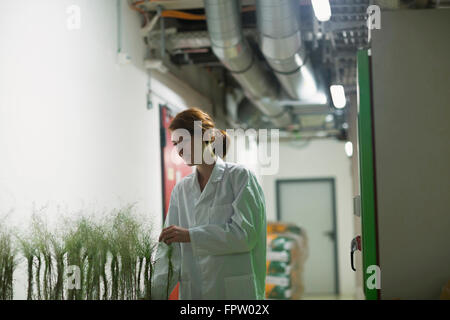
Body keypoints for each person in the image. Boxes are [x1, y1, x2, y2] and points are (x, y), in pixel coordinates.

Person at [151, 107, 267, 300]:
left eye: (184, 141)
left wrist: (191, 236)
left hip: (236, 294)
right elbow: (170, 250)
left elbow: (245, 236)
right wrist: (154, 294)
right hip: (194, 292)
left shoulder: (240, 178)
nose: (179, 150)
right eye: (175, 144)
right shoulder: (182, 190)